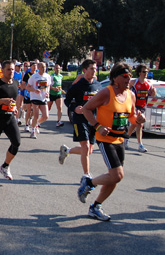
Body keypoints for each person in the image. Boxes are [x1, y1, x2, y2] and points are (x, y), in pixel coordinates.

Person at [78, 62, 145, 221]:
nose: (128, 79)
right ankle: (89, 183)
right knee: (117, 175)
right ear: (115, 78)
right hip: (105, 139)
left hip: (119, 138)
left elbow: (132, 116)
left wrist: (139, 119)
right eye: (125, 76)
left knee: (114, 177)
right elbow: (86, 109)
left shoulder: (131, 95)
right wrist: (97, 126)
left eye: (130, 76)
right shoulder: (106, 93)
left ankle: (95, 206)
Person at [60, 59, 102, 178]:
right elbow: (67, 100)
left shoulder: (98, 85)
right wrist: (75, 108)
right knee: (86, 147)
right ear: (84, 70)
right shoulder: (78, 86)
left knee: (88, 151)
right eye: (92, 69)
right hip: (80, 119)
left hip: (93, 120)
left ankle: (66, 151)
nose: (94, 71)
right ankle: (86, 175)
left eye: (95, 68)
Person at [126, 64, 156, 152]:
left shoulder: (149, 83)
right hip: (134, 106)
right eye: (144, 71)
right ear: (139, 73)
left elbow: (153, 94)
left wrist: (153, 91)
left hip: (143, 106)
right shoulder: (134, 82)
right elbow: (126, 89)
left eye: (147, 71)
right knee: (139, 124)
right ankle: (140, 145)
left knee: (135, 124)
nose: (146, 73)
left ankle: (126, 138)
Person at [26, 61, 52, 138]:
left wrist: (47, 92)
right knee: (36, 115)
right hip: (35, 97)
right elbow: (27, 87)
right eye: (42, 67)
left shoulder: (47, 76)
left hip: (43, 98)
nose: (44, 69)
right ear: (38, 68)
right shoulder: (34, 77)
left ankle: (36, 124)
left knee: (46, 116)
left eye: (45, 67)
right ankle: (33, 131)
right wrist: (34, 90)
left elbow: (48, 86)